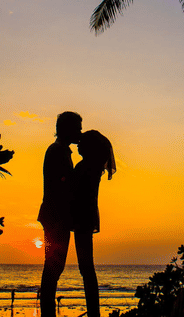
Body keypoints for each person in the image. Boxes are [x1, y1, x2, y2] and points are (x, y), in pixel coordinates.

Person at [38, 111, 82, 316]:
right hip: (56, 217)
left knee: (55, 266)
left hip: (56, 216)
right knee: (54, 266)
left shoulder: (60, 150)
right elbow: (62, 185)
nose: (80, 132)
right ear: (67, 128)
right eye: (78, 127)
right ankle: (47, 312)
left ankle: (47, 310)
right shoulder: (57, 151)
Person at [71, 130, 116, 317]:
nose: (78, 144)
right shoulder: (93, 166)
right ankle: (93, 312)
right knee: (86, 267)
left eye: (82, 142)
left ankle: (93, 313)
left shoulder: (87, 166)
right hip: (85, 216)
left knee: (86, 267)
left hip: (82, 217)